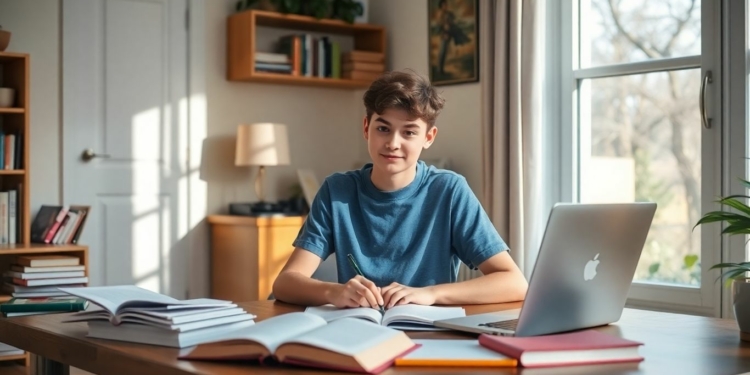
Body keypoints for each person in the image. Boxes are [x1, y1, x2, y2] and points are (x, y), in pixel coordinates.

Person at [272, 70, 528, 310]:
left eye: (409, 132)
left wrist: (431, 294)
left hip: (428, 338)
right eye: (383, 129)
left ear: (428, 137)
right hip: (358, 333)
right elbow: (285, 283)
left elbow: (514, 282)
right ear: (366, 128)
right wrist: (334, 292)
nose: (393, 143)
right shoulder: (337, 191)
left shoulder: (449, 190)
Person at [436, 0, 470, 76]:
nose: (446, 6)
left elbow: (453, 20)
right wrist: (443, 32)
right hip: (444, 34)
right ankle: (440, 69)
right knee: (443, 51)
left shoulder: (449, 13)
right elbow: (440, 25)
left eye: (446, 5)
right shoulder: (440, 14)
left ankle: (442, 69)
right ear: (441, 6)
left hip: (450, 32)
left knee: (447, 50)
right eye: (444, 5)